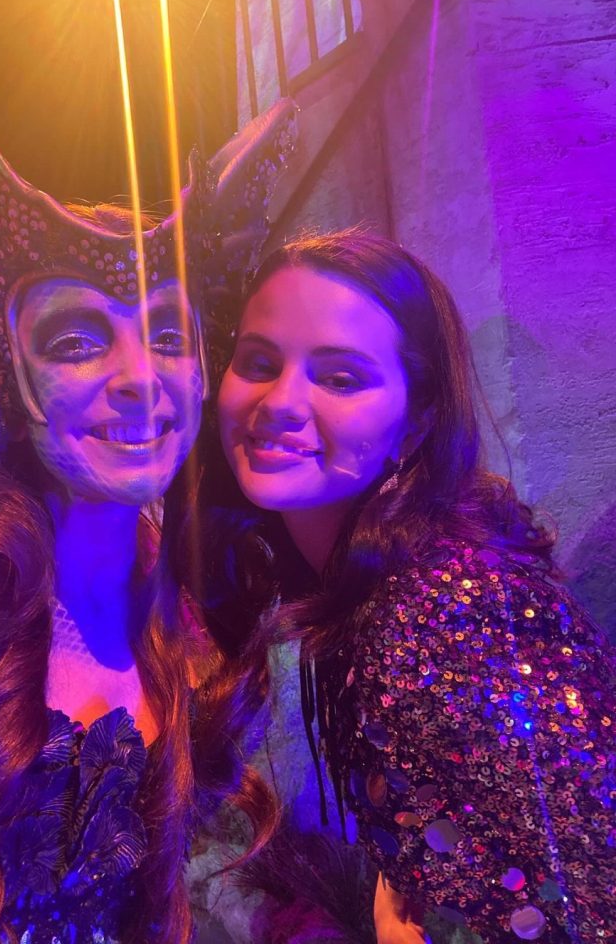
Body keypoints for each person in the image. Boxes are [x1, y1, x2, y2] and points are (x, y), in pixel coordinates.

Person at [0, 76, 295, 944]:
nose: (141, 378)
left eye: (167, 334)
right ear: (2, 379)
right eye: (78, 340)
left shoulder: (167, 597)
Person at [192, 228, 616, 943]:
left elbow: (588, 884)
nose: (280, 401)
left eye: (340, 378)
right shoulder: (369, 580)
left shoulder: (437, 606)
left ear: (416, 422)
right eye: (259, 362)